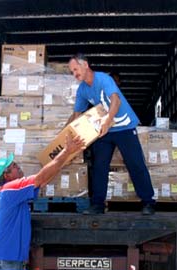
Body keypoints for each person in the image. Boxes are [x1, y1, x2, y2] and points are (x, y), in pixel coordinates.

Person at [66, 53, 155, 215]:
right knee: (99, 166)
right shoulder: (82, 89)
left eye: (75, 69)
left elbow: (116, 100)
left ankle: (148, 202)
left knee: (135, 163)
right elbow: (77, 114)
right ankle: (98, 204)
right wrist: (67, 134)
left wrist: (107, 120)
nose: (74, 74)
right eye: (72, 72)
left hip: (124, 126)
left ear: (85, 64)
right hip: (103, 131)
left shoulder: (103, 79)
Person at [0, 133, 86, 270]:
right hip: (4, 261)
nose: (18, 167)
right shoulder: (11, 188)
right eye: (14, 166)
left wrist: (64, 159)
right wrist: (66, 151)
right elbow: (41, 177)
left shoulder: (12, 192)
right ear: (6, 175)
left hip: (7, 259)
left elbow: (43, 181)